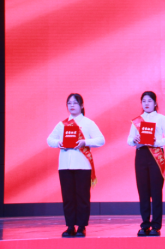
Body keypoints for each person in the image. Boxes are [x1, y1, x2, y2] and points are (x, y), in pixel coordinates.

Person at [47, 94, 105, 238]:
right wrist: (58, 143)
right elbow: (49, 140)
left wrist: (85, 142)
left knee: (82, 197)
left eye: (75, 103)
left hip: (83, 165)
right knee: (68, 197)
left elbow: (101, 140)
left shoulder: (88, 123)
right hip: (65, 165)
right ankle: (70, 226)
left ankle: (81, 226)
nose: (72, 105)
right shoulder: (62, 124)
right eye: (69, 103)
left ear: (82, 105)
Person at [128, 91, 165, 236]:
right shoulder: (137, 121)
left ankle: (156, 225)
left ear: (155, 103)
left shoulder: (161, 118)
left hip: (156, 155)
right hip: (141, 155)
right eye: (144, 101)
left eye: (149, 101)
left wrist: (157, 142)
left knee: (156, 192)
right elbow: (129, 140)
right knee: (143, 191)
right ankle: (145, 225)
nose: (146, 103)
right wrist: (134, 140)